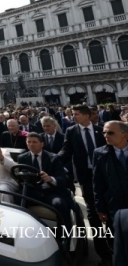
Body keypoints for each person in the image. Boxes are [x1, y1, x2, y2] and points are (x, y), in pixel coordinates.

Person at [58, 105, 111, 265]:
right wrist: (50, 161)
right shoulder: (71, 131)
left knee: (110, 210)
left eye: (77, 114)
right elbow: (65, 152)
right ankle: (104, 255)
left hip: (106, 176)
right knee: (93, 213)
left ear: (87, 116)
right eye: (73, 114)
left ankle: (115, 246)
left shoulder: (101, 130)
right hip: (86, 177)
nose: (74, 117)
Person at [19, 133, 73, 232]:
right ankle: (22, 231)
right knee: (17, 201)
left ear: (42, 144)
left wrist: (50, 179)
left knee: (60, 204)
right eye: (29, 142)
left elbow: (63, 178)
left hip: (51, 191)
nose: (31, 144)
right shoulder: (22, 158)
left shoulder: (53, 158)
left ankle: (65, 236)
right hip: (32, 191)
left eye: (34, 142)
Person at [93, 121, 128, 224]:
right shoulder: (100, 154)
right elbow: (97, 182)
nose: (106, 136)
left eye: (110, 133)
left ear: (124, 135)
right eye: (104, 133)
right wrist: (100, 208)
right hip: (114, 206)